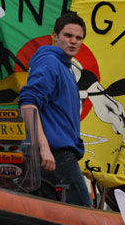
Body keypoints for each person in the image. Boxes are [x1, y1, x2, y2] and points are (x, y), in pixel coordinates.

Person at [18, 12, 92, 207]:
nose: (73, 41)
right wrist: (44, 148)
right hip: (55, 156)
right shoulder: (50, 62)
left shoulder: (64, 67)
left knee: (53, 219)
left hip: (54, 156)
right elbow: (27, 103)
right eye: (68, 35)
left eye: (78, 38)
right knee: (85, 216)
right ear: (55, 36)